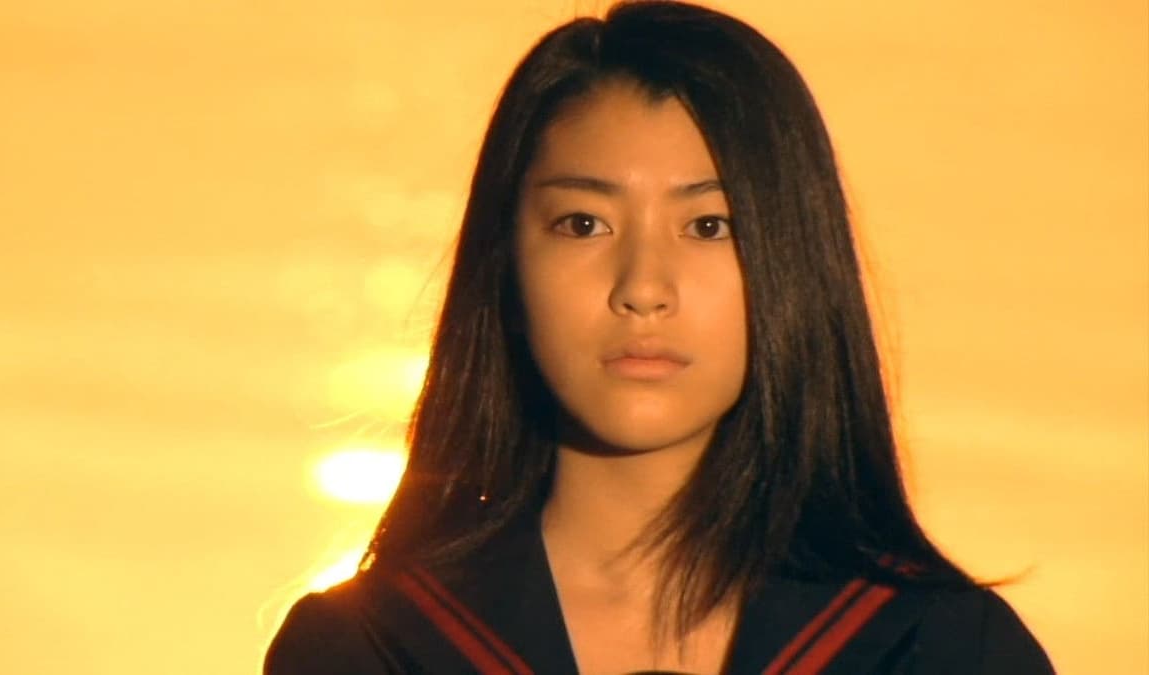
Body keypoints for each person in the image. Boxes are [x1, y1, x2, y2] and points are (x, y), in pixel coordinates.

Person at [265, 1, 1055, 672]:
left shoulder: (941, 648)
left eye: (709, 225)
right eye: (584, 223)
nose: (643, 287)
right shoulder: (369, 648)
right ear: (505, 267)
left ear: (793, 264)